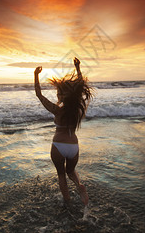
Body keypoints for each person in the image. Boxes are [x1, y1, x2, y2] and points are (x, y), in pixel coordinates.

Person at [34, 57, 93, 206]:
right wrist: (78, 68)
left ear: (62, 95)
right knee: (71, 171)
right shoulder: (78, 112)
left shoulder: (57, 110)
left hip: (59, 146)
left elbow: (39, 95)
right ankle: (79, 185)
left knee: (61, 175)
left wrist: (36, 75)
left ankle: (67, 203)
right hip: (74, 146)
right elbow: (80, 87)